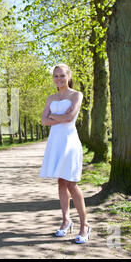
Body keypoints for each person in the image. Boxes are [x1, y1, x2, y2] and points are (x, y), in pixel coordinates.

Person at [39, 63, 91, 244]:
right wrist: (55, 118)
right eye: (55, 76)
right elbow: (43, 121)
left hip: (69, 141)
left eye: (62, 75)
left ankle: (84, 224)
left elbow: (69, 118)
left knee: (71, 182)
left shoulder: (76, 95)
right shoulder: (50, 98)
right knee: (60, 181)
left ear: (68, 76)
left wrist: (53, 117)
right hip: (55, 142)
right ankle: (66, 220)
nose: (59, 79)